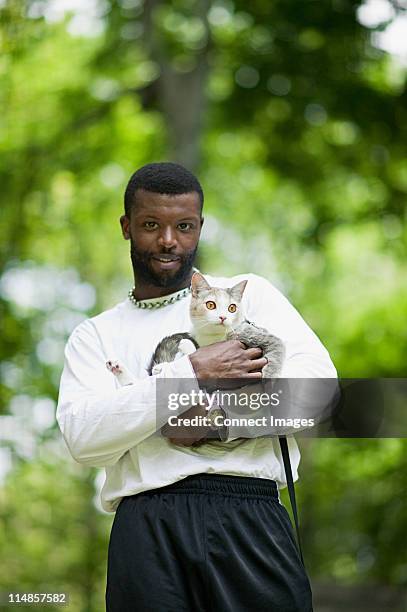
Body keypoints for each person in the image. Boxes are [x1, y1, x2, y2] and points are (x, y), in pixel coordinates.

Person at [56, 162, 337, 611]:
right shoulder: (96, 334)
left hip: (251, 514)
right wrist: (190, 373)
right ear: (127, 227)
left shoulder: (247, 298)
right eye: (151, 225)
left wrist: (220, 423)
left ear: (199, 228)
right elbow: (84, 440)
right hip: (145, 527)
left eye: (184, 226)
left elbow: (321, 396)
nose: (169, 241)